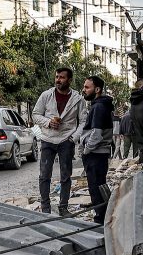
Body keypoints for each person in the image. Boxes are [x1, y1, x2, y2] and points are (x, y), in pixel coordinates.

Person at [32, 67, 86, 215]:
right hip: (47, 139)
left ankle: (63, 207)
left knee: (65, 176)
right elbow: (36, 114)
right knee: (44, 175)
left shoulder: (78, 99)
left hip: (66, 141)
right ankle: (45, 208)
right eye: (57, 77)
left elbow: (83, 121)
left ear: (69, 80)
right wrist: (48, 122)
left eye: (62, 77)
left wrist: (73, 138)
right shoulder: (46, 95)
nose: (58, 80)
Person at [79, 76, 114, 224]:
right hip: (99, 154)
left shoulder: (99, 106)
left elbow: (96, 134)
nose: (84, 90)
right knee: (100, 186)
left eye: (87, 87)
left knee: (96, 190)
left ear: (97, 89)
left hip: (95, 154)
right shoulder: (101, 105)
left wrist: (86, 150)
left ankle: (101, 220)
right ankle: (106, 216)